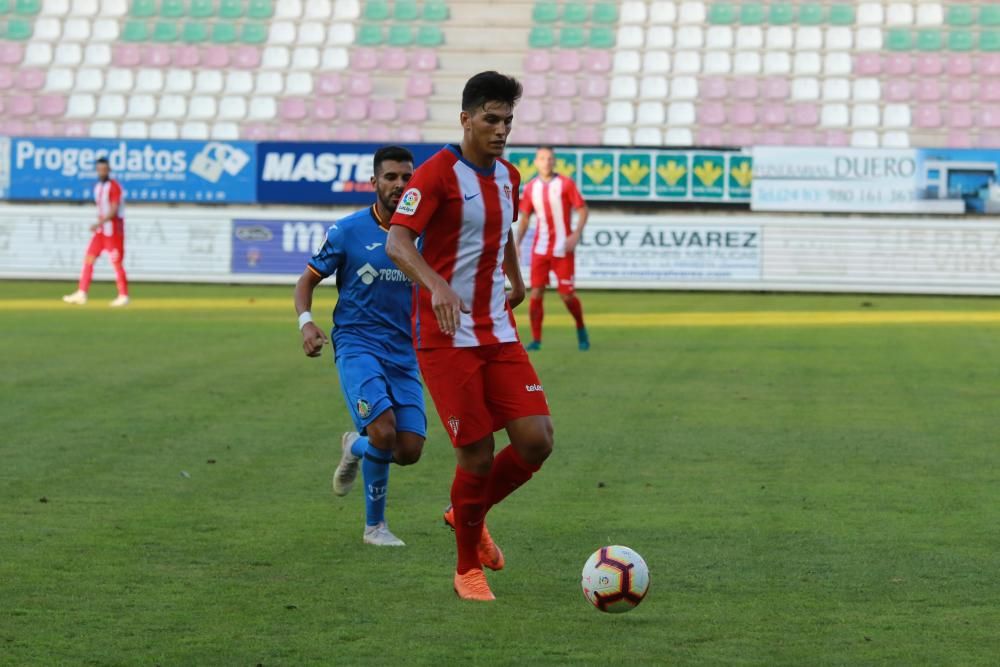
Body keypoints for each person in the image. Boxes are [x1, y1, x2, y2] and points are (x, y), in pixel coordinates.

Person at [386, 72, 554, 601]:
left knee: (536, 440)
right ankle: (465, 570)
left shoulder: (510, 175)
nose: (501, 129)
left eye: (507, 120)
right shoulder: (435, 175)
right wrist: (436, 285)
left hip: (497, 330)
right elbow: (397, 241)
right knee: (477, 457)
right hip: (445, 335)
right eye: (490, 119)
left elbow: (500, 227)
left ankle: (466, 513)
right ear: (466, 119)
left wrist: (517, 276)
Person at [294, 146, 426, 547]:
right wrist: (307, 323)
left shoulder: (424, 234)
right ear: (374, 183)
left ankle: (354, 445)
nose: (400, 185)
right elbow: (307, 280)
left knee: (409, 450)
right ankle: (375, 527)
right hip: (357, 343)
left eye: (407, 177)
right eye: (391, 177)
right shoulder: (348, 230)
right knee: (384, 433)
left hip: (403, 351)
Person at [515, 146, 590, 351]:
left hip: (562, 249)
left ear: (554, 161)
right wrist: (517, 242)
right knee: (536, 292)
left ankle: (581, 327)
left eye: (550, 158)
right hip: (540, 249)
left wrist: (576, 234)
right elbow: (524, 219)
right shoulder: (530, 188)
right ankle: (536, 339)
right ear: (536, 162)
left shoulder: (566, 184)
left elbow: (583, 210)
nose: (546, 162)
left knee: (566, 295)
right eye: (542, 158)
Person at [62, 157, 129, 307]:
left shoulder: (114, 187)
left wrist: (99, 222)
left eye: (104, 169)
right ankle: (82, 292)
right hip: (101, 232)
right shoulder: (98, 186)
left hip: (113, 232)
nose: (102, 172)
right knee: (89, 258)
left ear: (109, 170)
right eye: (99, 169)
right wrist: (99, 225)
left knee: (116, 263)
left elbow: (113, 209)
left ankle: (123, 295)